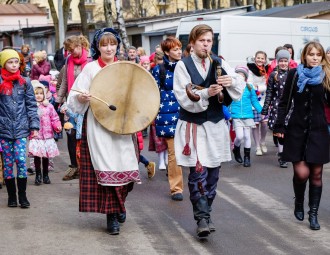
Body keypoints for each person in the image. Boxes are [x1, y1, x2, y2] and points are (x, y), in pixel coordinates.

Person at [67, 27, 141, 235]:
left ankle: (120, 204)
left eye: (112, 44)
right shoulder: (90, 69)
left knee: (128, 167)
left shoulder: (126, 67)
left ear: (118, 45)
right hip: (99, 126)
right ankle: (112, 216)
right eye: (104, 44)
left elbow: (139, 95)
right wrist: (81, 98)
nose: (109, 48)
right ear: (97, 47)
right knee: (107, 170)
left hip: (124, 126)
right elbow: (73, 98)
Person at [173, 24, 244, 238]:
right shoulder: (183, 66)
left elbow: (239, 82)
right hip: (193, 127)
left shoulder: (219, 63)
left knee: (213, 174)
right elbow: (183, 95)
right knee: (197, 173)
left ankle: (207, 211)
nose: (206, 44)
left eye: (209, 40)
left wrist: (230, 81)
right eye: (202, 40)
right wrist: (205, 94)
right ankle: (202, 218)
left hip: (215, 126)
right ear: (192, 43)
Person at [274, 41, 330, 231]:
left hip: (319, 130)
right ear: (304, 56)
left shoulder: (327, 76)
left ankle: (313, 214)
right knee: (301, 173)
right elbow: (284, 102)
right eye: (311, 54)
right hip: (296, 130)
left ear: (322, 57)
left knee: (316, 174)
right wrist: (279, 125)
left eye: (318, 55)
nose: (315, 58)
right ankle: (299, 200)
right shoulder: (295, 74)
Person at [0, 49, 39, 208]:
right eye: (10, 62)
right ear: (3, 63)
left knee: (21, 161)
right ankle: (11, 197)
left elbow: (31, 105)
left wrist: (34, 125)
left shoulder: (25, 82)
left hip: (22, 128)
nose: (14, 65)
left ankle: (22, 196)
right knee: (8, 164)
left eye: (16, 62)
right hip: (4, 129)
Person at [152, 36, 184, 201]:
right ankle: (176, 188)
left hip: (187, 114)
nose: (178, 52)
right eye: (175, 49)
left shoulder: (187, 67)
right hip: (168, 117)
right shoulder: (159, 70)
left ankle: (196, 183)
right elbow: (153, 92)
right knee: (174, 153)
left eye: (179, 48)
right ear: (166, 52)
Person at [56, 35, 90, 181]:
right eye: (69, 50)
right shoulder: (68, 60)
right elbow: (64, 81)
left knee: (86, 136)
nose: (71, 53)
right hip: (71, 103)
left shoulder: (90, 60)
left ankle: (87, 167)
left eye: (73, 49)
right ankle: (74, 166)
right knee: (70, 134)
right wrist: (58, 100)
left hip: (87, 103)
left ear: (80, 45)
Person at [261, 49, 291, 168]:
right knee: (280, 132)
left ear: (289, 61)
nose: (283, 63)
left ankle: (287, 152)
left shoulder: (293, 73)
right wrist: (265, 109)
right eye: (281, 61)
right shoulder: (274, 75)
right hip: (278, 107)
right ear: (277, 61)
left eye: (285, 61)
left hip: (291, 106)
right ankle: (281, 155)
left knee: (288, 131)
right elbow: (269, 93)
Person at [28, 80, 62, 185]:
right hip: (36, 135)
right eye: (36, 93)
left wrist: (57, 126)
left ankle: (46, 174)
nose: (38, 96)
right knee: (37, 156)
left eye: (40, 93)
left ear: (44, 94)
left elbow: (55, 118)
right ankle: (38, 175)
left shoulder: (49, 106)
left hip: (47, 135)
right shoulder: (31, 107)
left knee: (46, 156)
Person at [230, 66, 262, 167]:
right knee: (239, 136)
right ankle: (236, 149)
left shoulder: (249, 88)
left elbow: (254, 101)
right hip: (236, 115)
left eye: (243, 75)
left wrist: (262, 111)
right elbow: (227, 102)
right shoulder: (232, 88)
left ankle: (247, 158)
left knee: (247, 136)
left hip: (248, 115)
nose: (240, 77)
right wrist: (228, 114)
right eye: (238, 75)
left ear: (245, 77)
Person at [247, 50, 269, 156]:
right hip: (253, 100)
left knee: (264, 123)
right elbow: (249, 84)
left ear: (265, 60)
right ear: (255, 58)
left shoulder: (267, 70)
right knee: (255, 125)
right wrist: (257, 87)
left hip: (265, 100)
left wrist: (258, 87)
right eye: (258, 57)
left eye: (262, 58)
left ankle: (263, 141)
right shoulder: (250, 69)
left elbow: (267, 85)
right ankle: (257, 147)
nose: (260, 60)